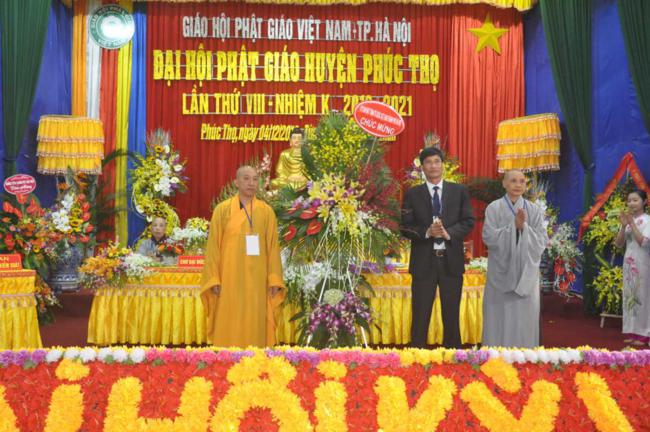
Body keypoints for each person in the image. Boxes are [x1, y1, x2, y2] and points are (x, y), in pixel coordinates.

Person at [201, 165, 285, 347]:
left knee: (255, 320)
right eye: (246, 179)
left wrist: (274, 279)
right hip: (228, 277)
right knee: (228, 317)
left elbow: (273, 248)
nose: (251, 183)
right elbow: (213, 247)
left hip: (257, 279)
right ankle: (226, 357)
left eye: (255, 179)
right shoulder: (222, 210)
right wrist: (214, 278)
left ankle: (255, 358)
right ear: (236, 182)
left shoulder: (266, 212)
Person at [400, 146, 475, 348]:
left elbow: (468, 221)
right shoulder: (413, 194)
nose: (433, 166)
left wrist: (448, 233)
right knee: (420, 313)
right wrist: (427, 232)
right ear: (422, 167)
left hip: (451, 262)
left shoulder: (459, 191)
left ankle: (453, 353)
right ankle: (417, 354)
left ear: (442, 165)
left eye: (436, 161)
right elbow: (405, 226)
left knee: (451, 313)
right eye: (428, 162)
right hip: (423, 263)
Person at [482, 170, 548, 348]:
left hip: (526, 273)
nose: (518, 185)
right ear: (504, 184)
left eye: (521, 181)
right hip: (500, 272)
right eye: (513, 181)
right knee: (499, 316)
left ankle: (524, 353)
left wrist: (523, 228)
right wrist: (513, 227)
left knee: (524, 318)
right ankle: (496, 352)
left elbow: (541, 240)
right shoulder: (494, 208)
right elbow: (488, 237)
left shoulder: (533, 210)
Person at [614, 190, 650, 346]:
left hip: (643, 262)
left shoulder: (648, 220)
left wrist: (632, 224)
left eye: (635, 200)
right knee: (630, 296)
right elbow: (618, 244)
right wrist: (623, 227)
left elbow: (644, 242)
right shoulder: (628, 221)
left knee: (643, 297)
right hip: (629, 263)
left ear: (644, 202)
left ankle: (644, 334)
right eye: (629, 200)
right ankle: (632, 332)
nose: (631, 203)